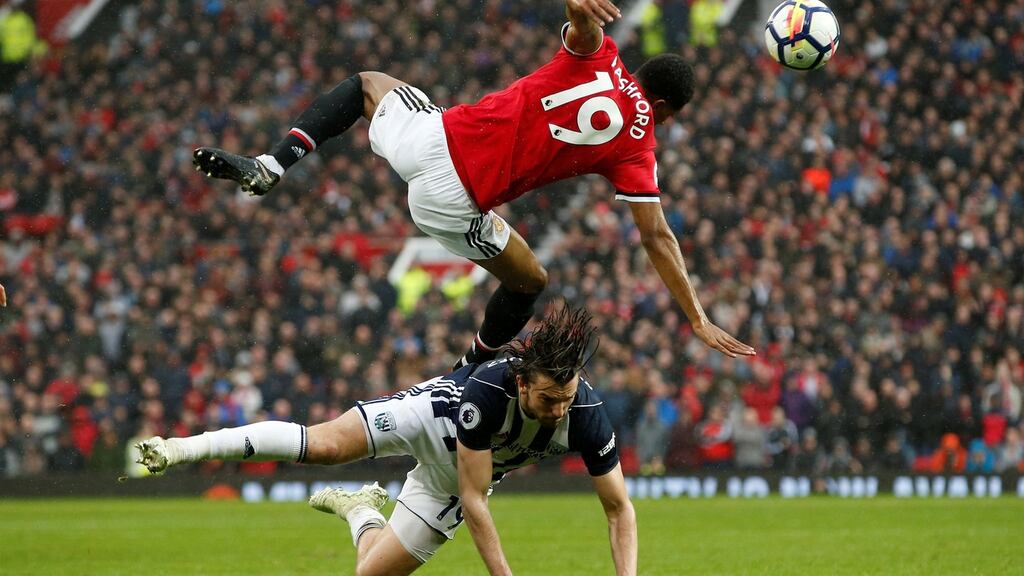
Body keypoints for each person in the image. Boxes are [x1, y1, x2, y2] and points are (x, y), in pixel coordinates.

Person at [192, 0, 754, 370]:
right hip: (452, 202)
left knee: (367, 84)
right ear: (662, 106)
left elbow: (582, 23)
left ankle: (273, 162)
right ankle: (471, 369)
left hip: (430, 137)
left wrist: (579, 7)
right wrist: (696, 317)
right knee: (531, 280)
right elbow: (657, 238)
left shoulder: (601, 57)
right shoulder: (639, 146)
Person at [136, 304, 636, 576]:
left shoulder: (586, 413)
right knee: (325, 446)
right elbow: (475, 500)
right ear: (523, 382)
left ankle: (361, 511)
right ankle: (186, 447)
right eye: (549, 398)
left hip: (452, 480)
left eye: (566, 398)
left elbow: (619, 509)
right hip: (430, 419)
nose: (559, 410)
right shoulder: (488, 390)